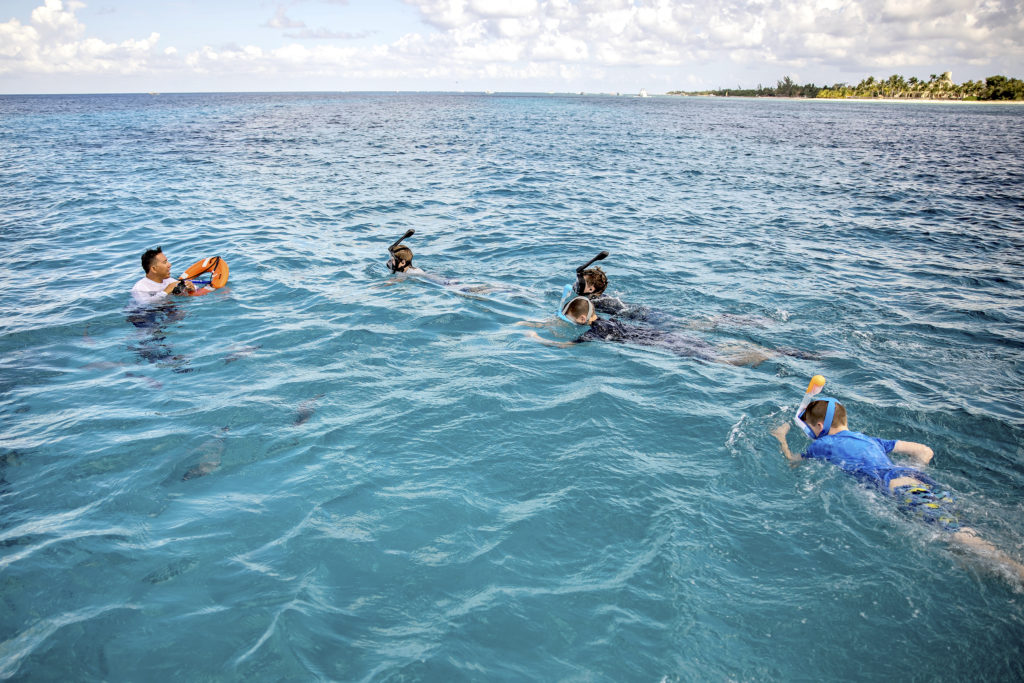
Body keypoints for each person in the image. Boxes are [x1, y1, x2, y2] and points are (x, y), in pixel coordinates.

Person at [771, 396, 1024, 584]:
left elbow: (793, 462)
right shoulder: (870, 440)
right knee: (957, 535)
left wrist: (781, 436)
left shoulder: (822, 444)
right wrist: (912, 473)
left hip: (898, 488)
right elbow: (925, 451)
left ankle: (1017, 571)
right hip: (917, 481)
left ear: (817, 427)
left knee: (958, 536)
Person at [518, 295, 779, 366]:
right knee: (713, 348)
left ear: (584, 318)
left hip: (661, 345)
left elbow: (564, 347)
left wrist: (536, 338)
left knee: (721, 361)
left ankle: (764, 355)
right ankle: (759, 351)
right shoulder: (607, 321)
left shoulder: (595, 333)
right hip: (661, 336)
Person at [131, 246, 195, 306]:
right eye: (164, 262)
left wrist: (191, 288)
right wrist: (166, 291)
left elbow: (188, 292)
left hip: (164, 307)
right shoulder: (140, 287)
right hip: (142, 314)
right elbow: (144, 303)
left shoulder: (169, 281)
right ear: (154, 269)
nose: (169, 264)